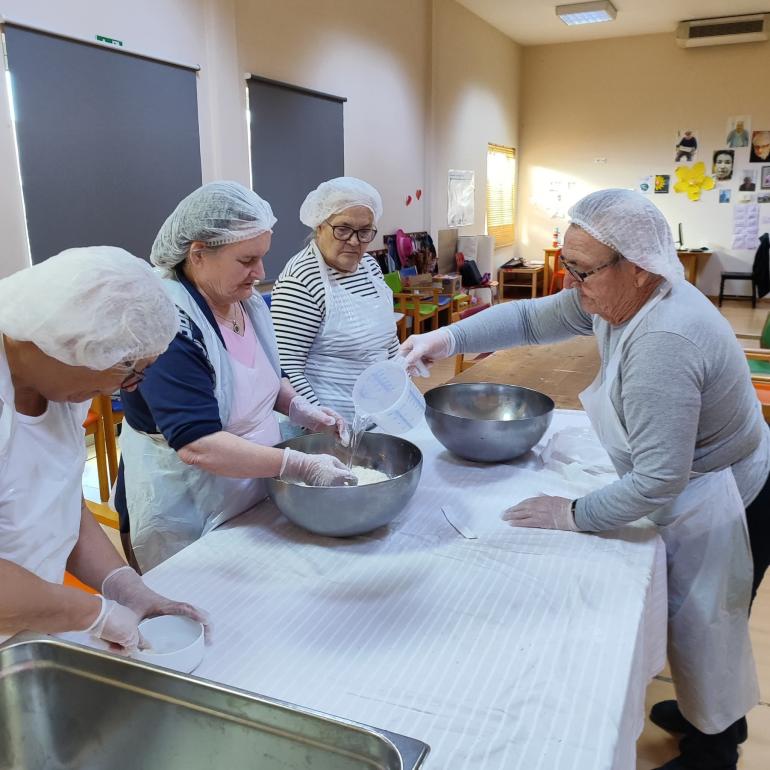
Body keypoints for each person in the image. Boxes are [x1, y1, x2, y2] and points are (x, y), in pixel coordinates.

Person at [401, 189, 770, 770]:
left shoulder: (663, 340)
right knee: (695, 619)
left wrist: (570, 514)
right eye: (568, 266)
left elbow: (658, 480)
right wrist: (448, 338)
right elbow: (530, 318)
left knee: (709, 621)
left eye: (582, 270)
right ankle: (705, 713)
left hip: (724, 494)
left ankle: (715, 749)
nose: (571, 282)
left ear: (639, 266)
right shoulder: (621, 295)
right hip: (695, 479)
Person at [117, 182, 355, 573]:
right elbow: (198, 445)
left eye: (262, 258)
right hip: (187, 501)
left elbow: (258, 374)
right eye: (247, 260)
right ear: (198, 254)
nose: (260, 273)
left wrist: (299, 407)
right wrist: (300, 465)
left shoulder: (245, 301)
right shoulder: (169, 326)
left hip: (249, 487)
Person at [0, 247, 208, 651]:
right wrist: (92, 613)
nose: (121, 389)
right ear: (65, 341)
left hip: (32, 628)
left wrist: (126, 588)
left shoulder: (60, 391)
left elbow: (60, 507)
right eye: (127, 371)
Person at [270, 177, 399, 422]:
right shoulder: (300, 281)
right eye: (343, 229)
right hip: (329, 424)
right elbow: (288, 370)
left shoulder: (370, 267)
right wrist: (326, 424)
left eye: (364, 232)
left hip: (378, 415)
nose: (354, 241)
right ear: (320, 226)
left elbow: (388, 341)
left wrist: (400, 383)